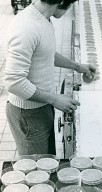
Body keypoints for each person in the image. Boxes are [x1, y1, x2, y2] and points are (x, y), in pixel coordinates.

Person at [3, 0, 95, 155]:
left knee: (48, 160)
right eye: (70, 3)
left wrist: (78, 66)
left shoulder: (43, 18)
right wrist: (54, 99)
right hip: (28, 113)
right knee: (36, 171)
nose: (70, 8)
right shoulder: (26, 28)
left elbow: (47, 54)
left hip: (41, 105)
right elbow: (13, 82)